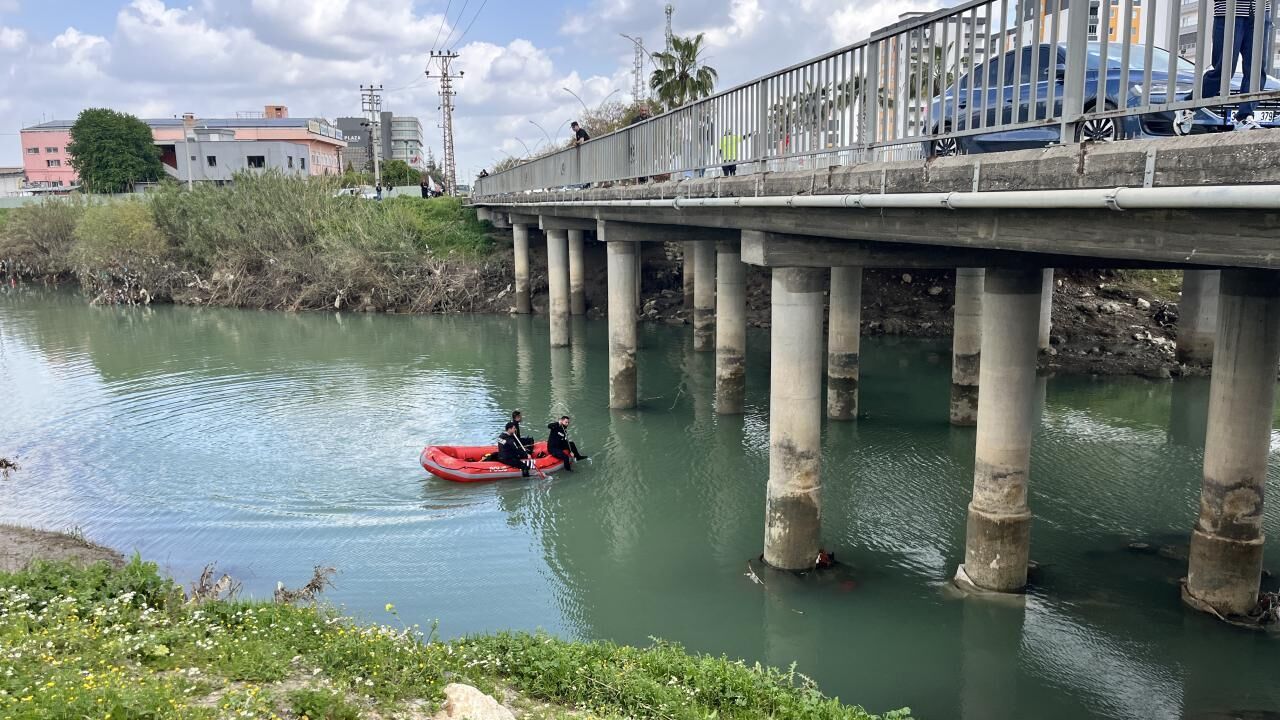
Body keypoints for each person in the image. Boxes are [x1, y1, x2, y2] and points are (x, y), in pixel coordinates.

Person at [1191, 0, 1274, 132]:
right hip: (1229, 11)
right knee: (1224, 70)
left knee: (1256, 70)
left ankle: (1244, 117)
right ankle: (1188, 106)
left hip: (1260, 11)